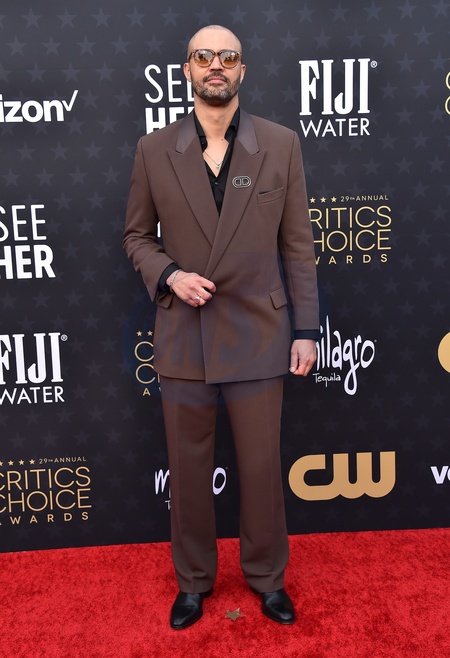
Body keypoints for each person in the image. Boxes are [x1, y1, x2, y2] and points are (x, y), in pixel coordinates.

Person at [123, 24, 319, 630]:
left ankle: (267, 578)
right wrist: (170, 275)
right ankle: (193, 582)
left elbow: (298, 246)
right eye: (204, 56)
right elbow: (136, 236)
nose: (216, 65)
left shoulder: (281, 144)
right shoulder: (154, 149)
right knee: (187, 473)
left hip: (260, 332)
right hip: (184, 333)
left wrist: (307, 330)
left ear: (242, 71)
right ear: (187, 69)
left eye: (228, 57)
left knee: (261, 471)